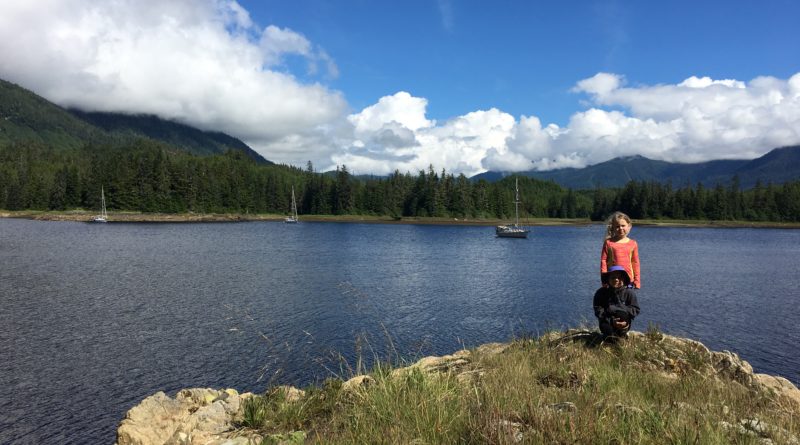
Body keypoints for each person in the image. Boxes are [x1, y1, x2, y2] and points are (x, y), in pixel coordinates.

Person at [593, 265, 640, 339]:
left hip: (624, 322)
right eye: (613, 277)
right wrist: (611, 320)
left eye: (619, 277)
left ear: (624, 279)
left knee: (621, 314)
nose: (616, 280)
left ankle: (622, 334)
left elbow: (635, 309)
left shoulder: (629, 293)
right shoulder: (601, 293)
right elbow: (598, 310)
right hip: (607, 321)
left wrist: (620, 310)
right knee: (610, 337)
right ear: (608, 279)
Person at [600, 211, 641, 290]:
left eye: (623, 225)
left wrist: (637, 281)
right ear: (613, 228)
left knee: (627, 301)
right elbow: (603, 261)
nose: (620, 228)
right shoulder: (608, 243)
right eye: (617, 226)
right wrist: (604, 280)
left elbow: (635, 263)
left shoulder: (633, 243)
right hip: (612, 281)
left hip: (628, 281)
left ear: (629, 226)